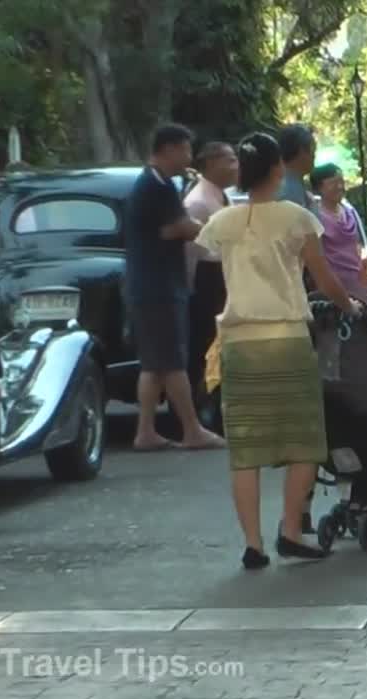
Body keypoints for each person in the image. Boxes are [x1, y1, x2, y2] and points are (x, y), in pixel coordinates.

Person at [194, 131, 361, 569]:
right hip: (286, 338)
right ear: (276, 169)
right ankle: (290, 529)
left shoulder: (223, 222)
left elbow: (212, 271)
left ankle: (253, 544)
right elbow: (323, 276)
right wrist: (351, 306)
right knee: (305, 442)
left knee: (245, 449)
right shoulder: (295, 217)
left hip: (239, 344)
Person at [123, 123, 225, 452]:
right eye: (184, 149)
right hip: (160, 285)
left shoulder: (153, 183)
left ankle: (146, 430)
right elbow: (178, 228)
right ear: (167, 149)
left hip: (149, 283)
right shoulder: (158, 186)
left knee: (154, 364)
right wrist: (216, 232)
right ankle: (192, 429)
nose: (189, 157)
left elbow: (170, 229)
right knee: (172, 361)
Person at [184, 141, 238, 411]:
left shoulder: (220, 195)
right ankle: (202, 403)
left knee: (221, 342)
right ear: (211, 164)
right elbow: (192, 254)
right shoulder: (197, 202)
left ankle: (217, 401)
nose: (235, 166)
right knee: (207, 344)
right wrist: (192, 290)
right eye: (229, 160)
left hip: (223, 275)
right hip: (207, 280)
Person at [311, 163, 367, 302]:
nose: (340, 187)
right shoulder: (315, 216)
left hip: (359, 284)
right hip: (332, 290)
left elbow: (360, 245)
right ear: (319, 188)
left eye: (341, 182)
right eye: (333, 183)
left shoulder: (350, 212)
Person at [277, 124, 318, 212]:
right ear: (301, 151)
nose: (314, 156)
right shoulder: (286, 192)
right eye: (313, 150)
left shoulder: (294, 184)